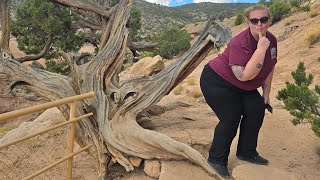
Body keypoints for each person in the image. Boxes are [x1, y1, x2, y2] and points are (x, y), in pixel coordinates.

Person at [200, 5, 277, 178]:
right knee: (231, 117)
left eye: (263, 20)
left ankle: (246, 152)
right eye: (254, 20)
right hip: (217, 81)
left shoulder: (272, 39)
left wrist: (266, 92)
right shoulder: (240, 42)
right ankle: (216, 160)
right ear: (248, 22)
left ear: (270, 20)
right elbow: (244, 75)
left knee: (257, 109)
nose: (259, 24)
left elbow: (270, 66)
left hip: (243, 87)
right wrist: (261, 49)